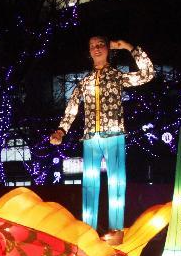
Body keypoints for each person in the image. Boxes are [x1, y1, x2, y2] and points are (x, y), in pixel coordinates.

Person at [50, 36, 155, 233]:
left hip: (114, 136)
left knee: (116, 184)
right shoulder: (84, 82)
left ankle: (115, 231)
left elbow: (148, 74)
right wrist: (61, 130)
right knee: (89, 186)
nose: (96, 49)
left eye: (100, 45)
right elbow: (72, 108)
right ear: (88, 51)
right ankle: (88, 232)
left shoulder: (117, 76)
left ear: (108, 48)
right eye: (92, 46)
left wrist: (127, 47)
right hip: (90, 139)